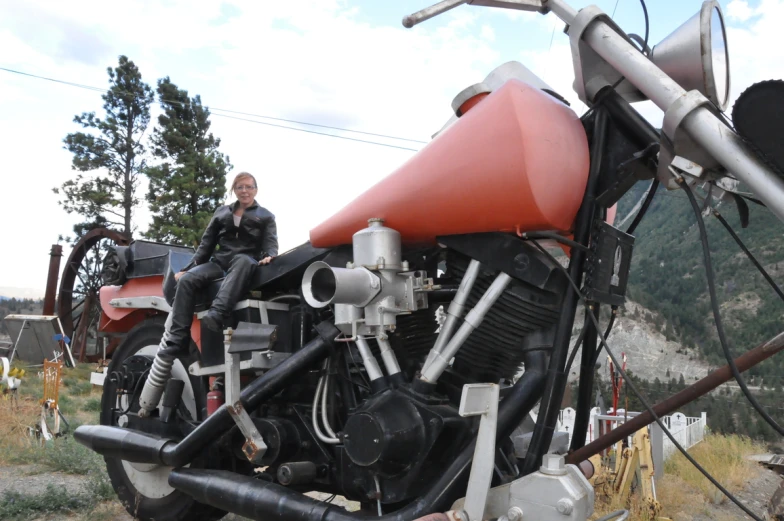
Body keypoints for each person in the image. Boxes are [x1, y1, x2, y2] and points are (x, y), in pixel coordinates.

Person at [165, 171, 278, 354]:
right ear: (234, 190)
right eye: (240, 187)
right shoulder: (222, 212)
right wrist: (188, 269)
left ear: (255, 190)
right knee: (186, 281)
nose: (244, 191)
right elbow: (206, 245)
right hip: (220, 262)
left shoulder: (266, 216)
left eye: (249, 187)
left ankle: (217, 313)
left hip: (244, 262)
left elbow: (271, 244)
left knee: (244, 261)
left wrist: (270, 255)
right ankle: (179, 339)